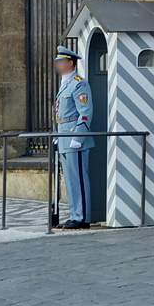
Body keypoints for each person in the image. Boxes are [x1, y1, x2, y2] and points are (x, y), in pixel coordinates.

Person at [53, 44, 94, 230]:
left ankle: (82, 216)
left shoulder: (79, 83)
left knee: (78, 178)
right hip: (63, 136)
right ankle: (74, 214)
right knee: (69, 179)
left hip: (74, 137)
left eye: (61, 61)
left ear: (70, 62)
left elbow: (85, 113)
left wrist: (79, 136)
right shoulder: (65, 84)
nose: (58, 65)